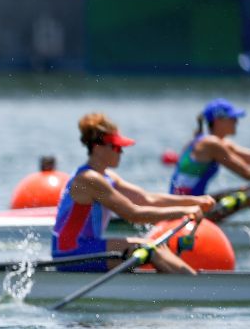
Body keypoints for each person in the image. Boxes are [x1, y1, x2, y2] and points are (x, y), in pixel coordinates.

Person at [53, 114, 214, 274]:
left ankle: (189, 283)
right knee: (149, 248)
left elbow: (147, 199)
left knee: (155, 247)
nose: (121, 152)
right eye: (116, 147)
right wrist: (184, 211)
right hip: (70, 253)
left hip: (88, 246)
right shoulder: (88, 179)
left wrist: (196, 201)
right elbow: (133, 214)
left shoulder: (107, 177)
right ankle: (195, 286)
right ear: (97, 148)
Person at [169, 99, 250, 224]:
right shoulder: (210, 144)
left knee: (248, 190)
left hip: (194, 203)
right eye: (232, 118)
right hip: (187, 211)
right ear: (218, 121)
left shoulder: (213, 142)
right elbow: (248, 172)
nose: (236, 122)